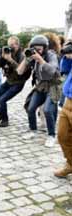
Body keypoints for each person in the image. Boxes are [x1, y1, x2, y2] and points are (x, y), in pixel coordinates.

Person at [18, 35, 61, 147]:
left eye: (39, 49)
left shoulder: (51, 55)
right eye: (35, 49)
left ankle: (51, 135)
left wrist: (40, 60)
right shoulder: (32, 57)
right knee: (31, 108)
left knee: (47, 110)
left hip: (53, 85)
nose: (37, 51)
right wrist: (26, 59)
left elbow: (52, 71)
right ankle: (33, 130)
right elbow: (19, 72)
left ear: (45, 48)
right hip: (41, 85)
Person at [0, 36, 32, 127]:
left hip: (18, 83)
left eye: (12, 45)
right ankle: (1, 113)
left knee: (2, 100)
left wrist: (10, 60)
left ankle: (5, 120)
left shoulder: (22, 56)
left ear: (17, 45)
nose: (10, 47)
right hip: (9, 81)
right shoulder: (7, 53)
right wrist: (2, 57)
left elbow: (20, 71)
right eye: (9, 45)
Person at [55, 42, 72, 178]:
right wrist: (67, 56)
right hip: (68, 101)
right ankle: (70, 163)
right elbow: (64, 69)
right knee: (62, 135)